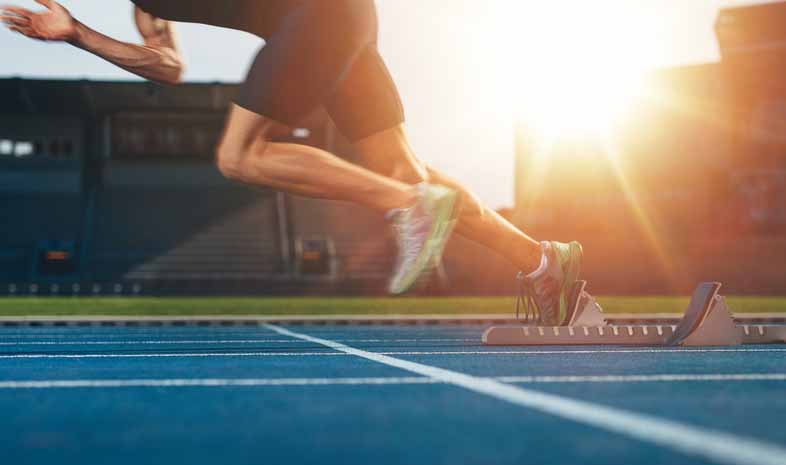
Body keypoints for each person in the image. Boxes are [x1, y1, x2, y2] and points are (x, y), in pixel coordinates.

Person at [2, 0, 583, 324]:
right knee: (409, 169)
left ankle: (407, 208)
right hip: (341, 21)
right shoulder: (144, 7)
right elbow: (166, 65)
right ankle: (542, 260)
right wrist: (77, 34)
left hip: (318, 15)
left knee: (241, 156)